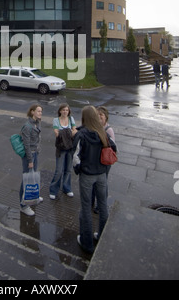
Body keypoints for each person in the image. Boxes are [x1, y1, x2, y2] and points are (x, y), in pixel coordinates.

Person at [73, 105, 117, 254]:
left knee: (86, 207)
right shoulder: (102, 132)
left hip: (87, 175)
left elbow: (75, 157)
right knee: (103, 205)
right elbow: (114, 148)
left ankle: (86, 242)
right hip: (101, 174)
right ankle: (102, 237)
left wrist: (79, 170)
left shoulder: (82, 134)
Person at [20, 104, 43, 216]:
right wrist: (30, 160)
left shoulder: (36, 123)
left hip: (35, 154)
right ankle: (23, 206)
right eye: (38, 111)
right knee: (26, 179)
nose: (40, 113)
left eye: (41, 111)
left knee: (32, 176)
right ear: (32, 112)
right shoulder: (27, 126)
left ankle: (33, 197)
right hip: (30, 155)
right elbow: (27, 145)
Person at [49, 104, 77, 200]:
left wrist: (64, 133)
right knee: (59, 171)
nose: (65, 112)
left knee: (68, 170)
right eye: (63, 110)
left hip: (69, 147)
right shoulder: (56, 120)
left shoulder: (71, 119)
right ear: (60, 111)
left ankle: (67, 188)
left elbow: (75, 131)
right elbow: (57, 134)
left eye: (67, 110)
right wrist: (69, 132)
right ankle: (53, 190)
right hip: (60, 148)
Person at [92, 106, 115, 212]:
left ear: (106, 117)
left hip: (104, 161)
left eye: (101, 115)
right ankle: (91, 201)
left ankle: (101, 205)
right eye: (97, 115)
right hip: (95, 159)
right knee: (93, 182)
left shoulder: (108, 130)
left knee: (102, 183)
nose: (99, 117)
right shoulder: (94, 127)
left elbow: (112, 147)